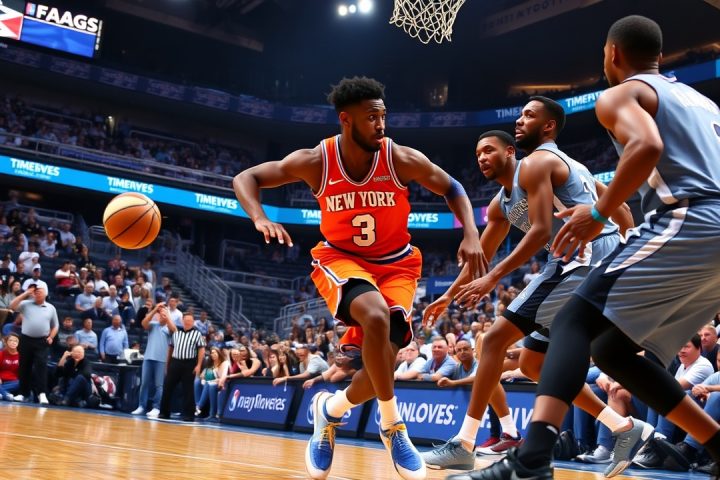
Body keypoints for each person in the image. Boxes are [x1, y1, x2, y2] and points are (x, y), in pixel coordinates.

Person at [464, 15, 720, 480]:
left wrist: (598, 213)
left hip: (690, 217)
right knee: (611, 352)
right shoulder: (701, 101)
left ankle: (531, 458)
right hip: (713, 234)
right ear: (659, 55)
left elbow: (646, 145)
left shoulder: (620, 94)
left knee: (572, 321)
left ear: (613, 53)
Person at [233, 76, 483, 480]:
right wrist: (259, 216)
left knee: (379, 367)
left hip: (398, 264)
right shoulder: (317, 160)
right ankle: (393, 426)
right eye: (371, 118)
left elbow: (452, 187)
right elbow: (246, 178)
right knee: (377, 315)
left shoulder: (399, 158)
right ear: (346, 120)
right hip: (342, 258)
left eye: (383, 116)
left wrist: (470, 232)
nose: (380, 125)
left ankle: (329, 410)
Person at [423, 119, 632, 470]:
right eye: (477, 154)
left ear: (510, 151)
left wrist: (627, 252)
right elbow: (482, 256)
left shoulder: (539, 168)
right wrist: (448, 296)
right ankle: (623, 426)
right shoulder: (499, 205)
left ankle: (464, 443)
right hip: (569, 268)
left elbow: (609, 213)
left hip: (580, 262)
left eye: (489, 150)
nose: (481, 158)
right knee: (531, 364)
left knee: (493, 340)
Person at [9, 284, 58, 404]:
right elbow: (12, 306)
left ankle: (42, 394)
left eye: (40, 291)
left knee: (41, 366)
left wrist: (51, 337)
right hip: (26, 339)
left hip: (41, 341)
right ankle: (23, 393)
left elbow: (55, 325)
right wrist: (26, 293)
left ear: (45, 293)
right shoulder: (26, 304)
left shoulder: (51, 308)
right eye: (35, 291)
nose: (37, 293)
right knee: (24, 366)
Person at [158, 312, 205, 422]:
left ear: (193, 322)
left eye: (190, 321)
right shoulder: (176, 333)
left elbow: (201, 350)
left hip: (189, 363)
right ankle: (164, 412)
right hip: (175, 362)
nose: (188, 322)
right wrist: (167, 364)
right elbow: (170, 349)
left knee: (188, 390)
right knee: (167, 387)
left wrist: (198, 365)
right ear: (182, 321)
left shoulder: (197, 334)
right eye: (186, 320)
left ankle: (189, 415)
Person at [131, 302, 172, 418]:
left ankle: (156, 407)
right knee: (144, 383)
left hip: (161, 360)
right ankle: (141, 406)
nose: (161, 315)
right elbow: (143, 323)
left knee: (159, 385)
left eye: (164, 313)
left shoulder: (169, 328)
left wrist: (167, 315)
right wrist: (154, 310)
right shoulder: (153, 325)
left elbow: (174, 330)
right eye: (160, 313)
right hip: (148, 357)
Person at [0, 333, 20, 401]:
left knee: (21, 383)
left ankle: (2, 393)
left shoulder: (21, 356)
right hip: (1, 380)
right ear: (6, 342)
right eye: (10, 340)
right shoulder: (1, 353)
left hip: (13, 382)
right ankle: (6, 394)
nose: (13, 342)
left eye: (16, 341)